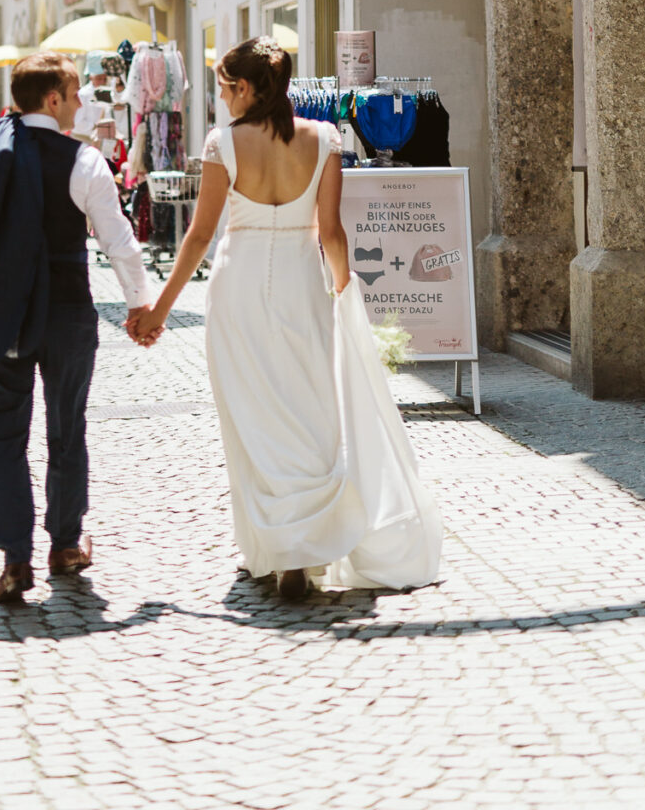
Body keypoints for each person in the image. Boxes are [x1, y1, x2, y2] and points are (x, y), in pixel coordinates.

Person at [130, 37, 441, 603]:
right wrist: (346, 293)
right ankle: (302, 548)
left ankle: (276, 547)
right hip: (302, 282)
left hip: (239, 287)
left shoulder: (223, 143)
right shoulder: (323, 140)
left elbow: (200, 236)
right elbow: (331, 234)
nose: (221, 98)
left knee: (250, 412)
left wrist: (160, 309)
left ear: (246, 88)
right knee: (308, 406)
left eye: (224, 87)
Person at [0, 50, 151, 607]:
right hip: (65, 311)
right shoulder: (83, 162)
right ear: (53, 99)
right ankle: (65, 546)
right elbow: (118, 242)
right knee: (67, 426)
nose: (80, 103)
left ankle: (15, 559)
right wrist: (141, 306)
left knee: (5, 431)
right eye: (74, 93)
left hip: (2, 312)